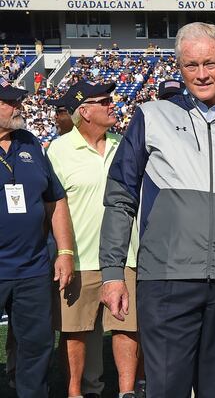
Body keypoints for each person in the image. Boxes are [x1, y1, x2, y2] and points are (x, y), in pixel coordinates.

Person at [99, 22, 215, 398]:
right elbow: (120, 198)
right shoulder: (151, 117)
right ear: (179, 67)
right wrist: (112, 273)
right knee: (167, 388)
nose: (201, 74)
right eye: (191, 65)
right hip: (166, 279)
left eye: (210, 63)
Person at [47, 81, 141, 398]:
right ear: (84, 112)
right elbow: (52, 206)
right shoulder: (58, 151)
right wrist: (62, 252)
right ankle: (77, 392)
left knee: (127, 326)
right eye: (104, 101)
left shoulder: (123, 144)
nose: (112, 104)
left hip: (126, 253)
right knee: (76, 331)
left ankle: (126, 392)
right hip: (80, 255)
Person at [0, 79, 74, 397]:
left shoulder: (30, 142)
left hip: (32, 267)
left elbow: (55, 199)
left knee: (37, 345)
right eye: (10, 102)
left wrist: (65, 251)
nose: (19, 107)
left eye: (19, 101)